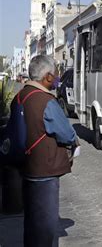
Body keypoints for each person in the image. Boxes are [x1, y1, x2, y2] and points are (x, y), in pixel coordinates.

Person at [16, 55, 77, 246]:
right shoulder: (46, 101)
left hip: (25, 168)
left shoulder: (20, 96)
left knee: (32, 223)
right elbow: (67, 134)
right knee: (45, 228)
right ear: (48, 77)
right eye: (56, 74)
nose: (58, 77)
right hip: (45, 172)